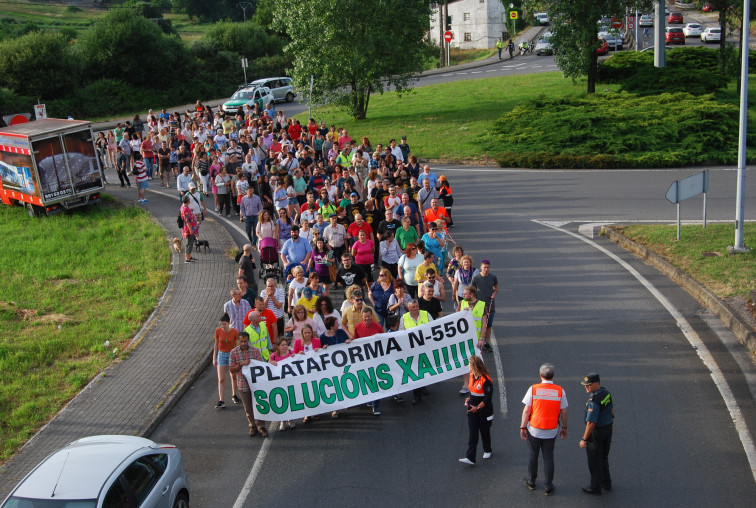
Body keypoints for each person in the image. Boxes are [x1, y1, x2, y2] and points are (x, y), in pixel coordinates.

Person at [520, 363, 569, 496]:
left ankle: (531, 481)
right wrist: (564, 427)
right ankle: (548, 485)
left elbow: (526, 410)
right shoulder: (560, 391)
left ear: (540, 375)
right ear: (553, 375)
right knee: (548, 457)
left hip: (534, 429)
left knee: (533, 455)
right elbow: (564, 412)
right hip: (551, 429)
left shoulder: (533, 389)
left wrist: (523, 426)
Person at [579, 373, 614, 495]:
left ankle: (595, 487)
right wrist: (611, 423)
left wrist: (584, 438)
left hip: (597, 433)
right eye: (585, 385)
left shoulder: (594, 401)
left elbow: (591, 422)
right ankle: (606, 482)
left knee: (594, 460)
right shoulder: (606, 393)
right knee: (603, 457)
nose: (586, 387)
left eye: (589, 385)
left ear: (597, 384)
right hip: (607, 429)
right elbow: (611, 409)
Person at [229, 331, 268, 437]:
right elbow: (232, 369)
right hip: (243, 384)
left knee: (259, 405)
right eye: (241, 341)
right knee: (248, 407)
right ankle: (252, 425)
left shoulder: (255, 351)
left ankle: (261, 426)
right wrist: (241, 364)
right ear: (238, 341)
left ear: (248, 340)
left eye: (245, 341)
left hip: (255, 384)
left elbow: (261, 366)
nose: (243, 343)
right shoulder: (234, 353)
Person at [459, 355, 494, 465]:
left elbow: (488, 398)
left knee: (484, 431)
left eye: (469, 364)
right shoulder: (471, 376)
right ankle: (470, 457)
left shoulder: (486, 380)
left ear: (474, 366)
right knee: (472, 432)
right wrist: (470, 399)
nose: (468, 365)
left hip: (484, 410)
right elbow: (473, 391)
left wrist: (477, 407)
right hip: (472, 408)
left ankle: (487, 449)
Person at [351, 308, 384, 415]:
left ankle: (376, 405)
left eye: (369, 316)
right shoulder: (357, 327)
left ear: (372, 316)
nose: (367, 319)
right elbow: (355, 343)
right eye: (365, 317)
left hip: (376, 359)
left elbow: (384, 340)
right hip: (364, 360)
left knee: (375, 382)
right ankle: (370, 400)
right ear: (362, 317)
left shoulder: (378, 327)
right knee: (367, 381)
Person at [213, 313, 240, 409]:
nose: (222, 326)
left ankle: (234, 394)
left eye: (224, 324)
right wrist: (214, 357)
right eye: (221, 324)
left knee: (233, 376)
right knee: (221, 379)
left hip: (231, 354)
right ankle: (221, 400)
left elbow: (237, 346)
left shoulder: (234, 332)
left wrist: (237, 357)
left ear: (229, 323)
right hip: (221, 354)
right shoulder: (218, 331)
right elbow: (216, 345)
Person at [472, 260, 499, 352]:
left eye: (488, 267)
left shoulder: (493, 277)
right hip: (479, 306)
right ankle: (478, 341)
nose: (486, 269)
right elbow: (472, 291)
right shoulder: (476, 278)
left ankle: (486, 343)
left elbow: (496, 288)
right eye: (484, 267)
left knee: (488, 325)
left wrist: (494, 293)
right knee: (479, 324)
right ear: (481, 267)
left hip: (490, 305)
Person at [179, 195, 198, 263]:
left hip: (189, 228)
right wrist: (191, 229)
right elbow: (187, 221)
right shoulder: (185, 209)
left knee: (191, 242)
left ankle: (189, 256)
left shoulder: (184, 207)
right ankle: (187, 258)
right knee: (188, 243)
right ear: (188, 201)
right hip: (188, 229)